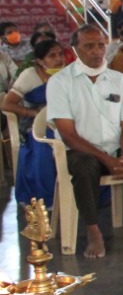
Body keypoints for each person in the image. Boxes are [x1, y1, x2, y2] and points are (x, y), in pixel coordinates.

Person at [46, 24, 123, 257]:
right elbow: (68, 134)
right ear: (75, 49)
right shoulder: (61, 82)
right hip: (80, 151)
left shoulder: (117, 80)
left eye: (101, 45)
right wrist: (107, 160)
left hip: (115, 150)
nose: (97, 51)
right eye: (89, 46)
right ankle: (93, 232)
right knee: (84, 166)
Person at [2, 38, 64, 207]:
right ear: (40, 61)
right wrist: (35, 113)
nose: (58, 59)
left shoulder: (67, 74)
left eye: (60, 54)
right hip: (37, 124)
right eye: (52, 56)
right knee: (45, 146)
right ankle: (46, 197)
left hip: (64, 122)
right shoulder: (30, 75)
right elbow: (7, 104)